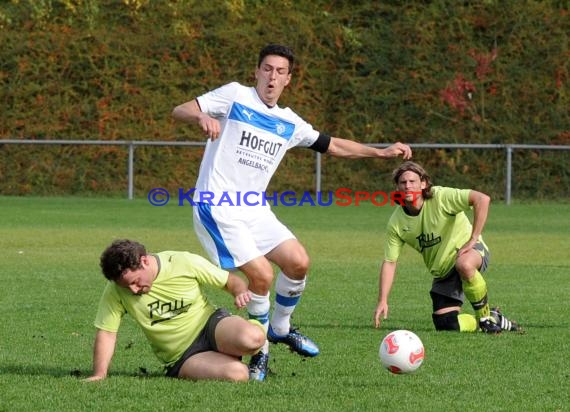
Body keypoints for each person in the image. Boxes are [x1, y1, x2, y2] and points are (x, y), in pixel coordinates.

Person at [171, 43, 413, 381]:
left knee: (298, 261)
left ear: (288, 79)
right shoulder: (235, 96)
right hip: (218, 207)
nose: (272, 77)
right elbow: (180, 109)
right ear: (256, 72)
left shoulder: (288, 122)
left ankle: (280, 328)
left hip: (254, 209)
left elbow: (333, 145)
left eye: (280, 72)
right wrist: (201, 115)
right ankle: (259, 354)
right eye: (267, 69)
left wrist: (381, 153)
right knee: (262, 277)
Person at [85, 239, 265, 382]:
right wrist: (99, 374)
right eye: (126, 286)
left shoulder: (183, 261)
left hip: (211, 325)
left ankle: (259, 343)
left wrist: (239, 291)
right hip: (183, 356)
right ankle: (224, 356)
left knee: (252, 338)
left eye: (135, 282)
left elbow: (230, 280)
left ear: (144, 261)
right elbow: (107, 333)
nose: (133, 290)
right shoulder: (116, 291)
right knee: (238, 375)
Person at [374, 161, 522, 334]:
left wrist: (473, 238)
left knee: (464, 264)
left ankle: (485, 318)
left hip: (469, 252)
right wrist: (383, 300)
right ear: (397, 187)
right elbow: (390, 262)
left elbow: (482, 199)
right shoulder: (396, 222)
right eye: (403, 182)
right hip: (443, 271)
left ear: (423, 183)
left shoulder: (441, 196)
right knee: (446, 325)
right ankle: (493, 318)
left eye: (412, 181)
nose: (408, 186)